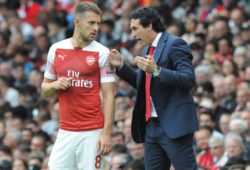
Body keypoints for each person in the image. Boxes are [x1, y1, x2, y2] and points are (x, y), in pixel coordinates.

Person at [108, 7, 198, 170]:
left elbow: (188, 79)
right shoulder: (146, 49)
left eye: (135, 29)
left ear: (149, 25)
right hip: (151, 127)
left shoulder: (175, 43)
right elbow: (143, 85)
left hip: (174, 124)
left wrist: (157, 70)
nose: (133, 34)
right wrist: (122, 65)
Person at [41, 2, 115, 170]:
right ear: (77, 22)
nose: (96, 28)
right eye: (91, 23)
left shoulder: (103, 53)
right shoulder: (56, 49)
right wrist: (56, 84)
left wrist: (107, 133)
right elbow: (44, 90)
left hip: (92, 130)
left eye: (98, 23)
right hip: (65, 129)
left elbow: (110, 96)